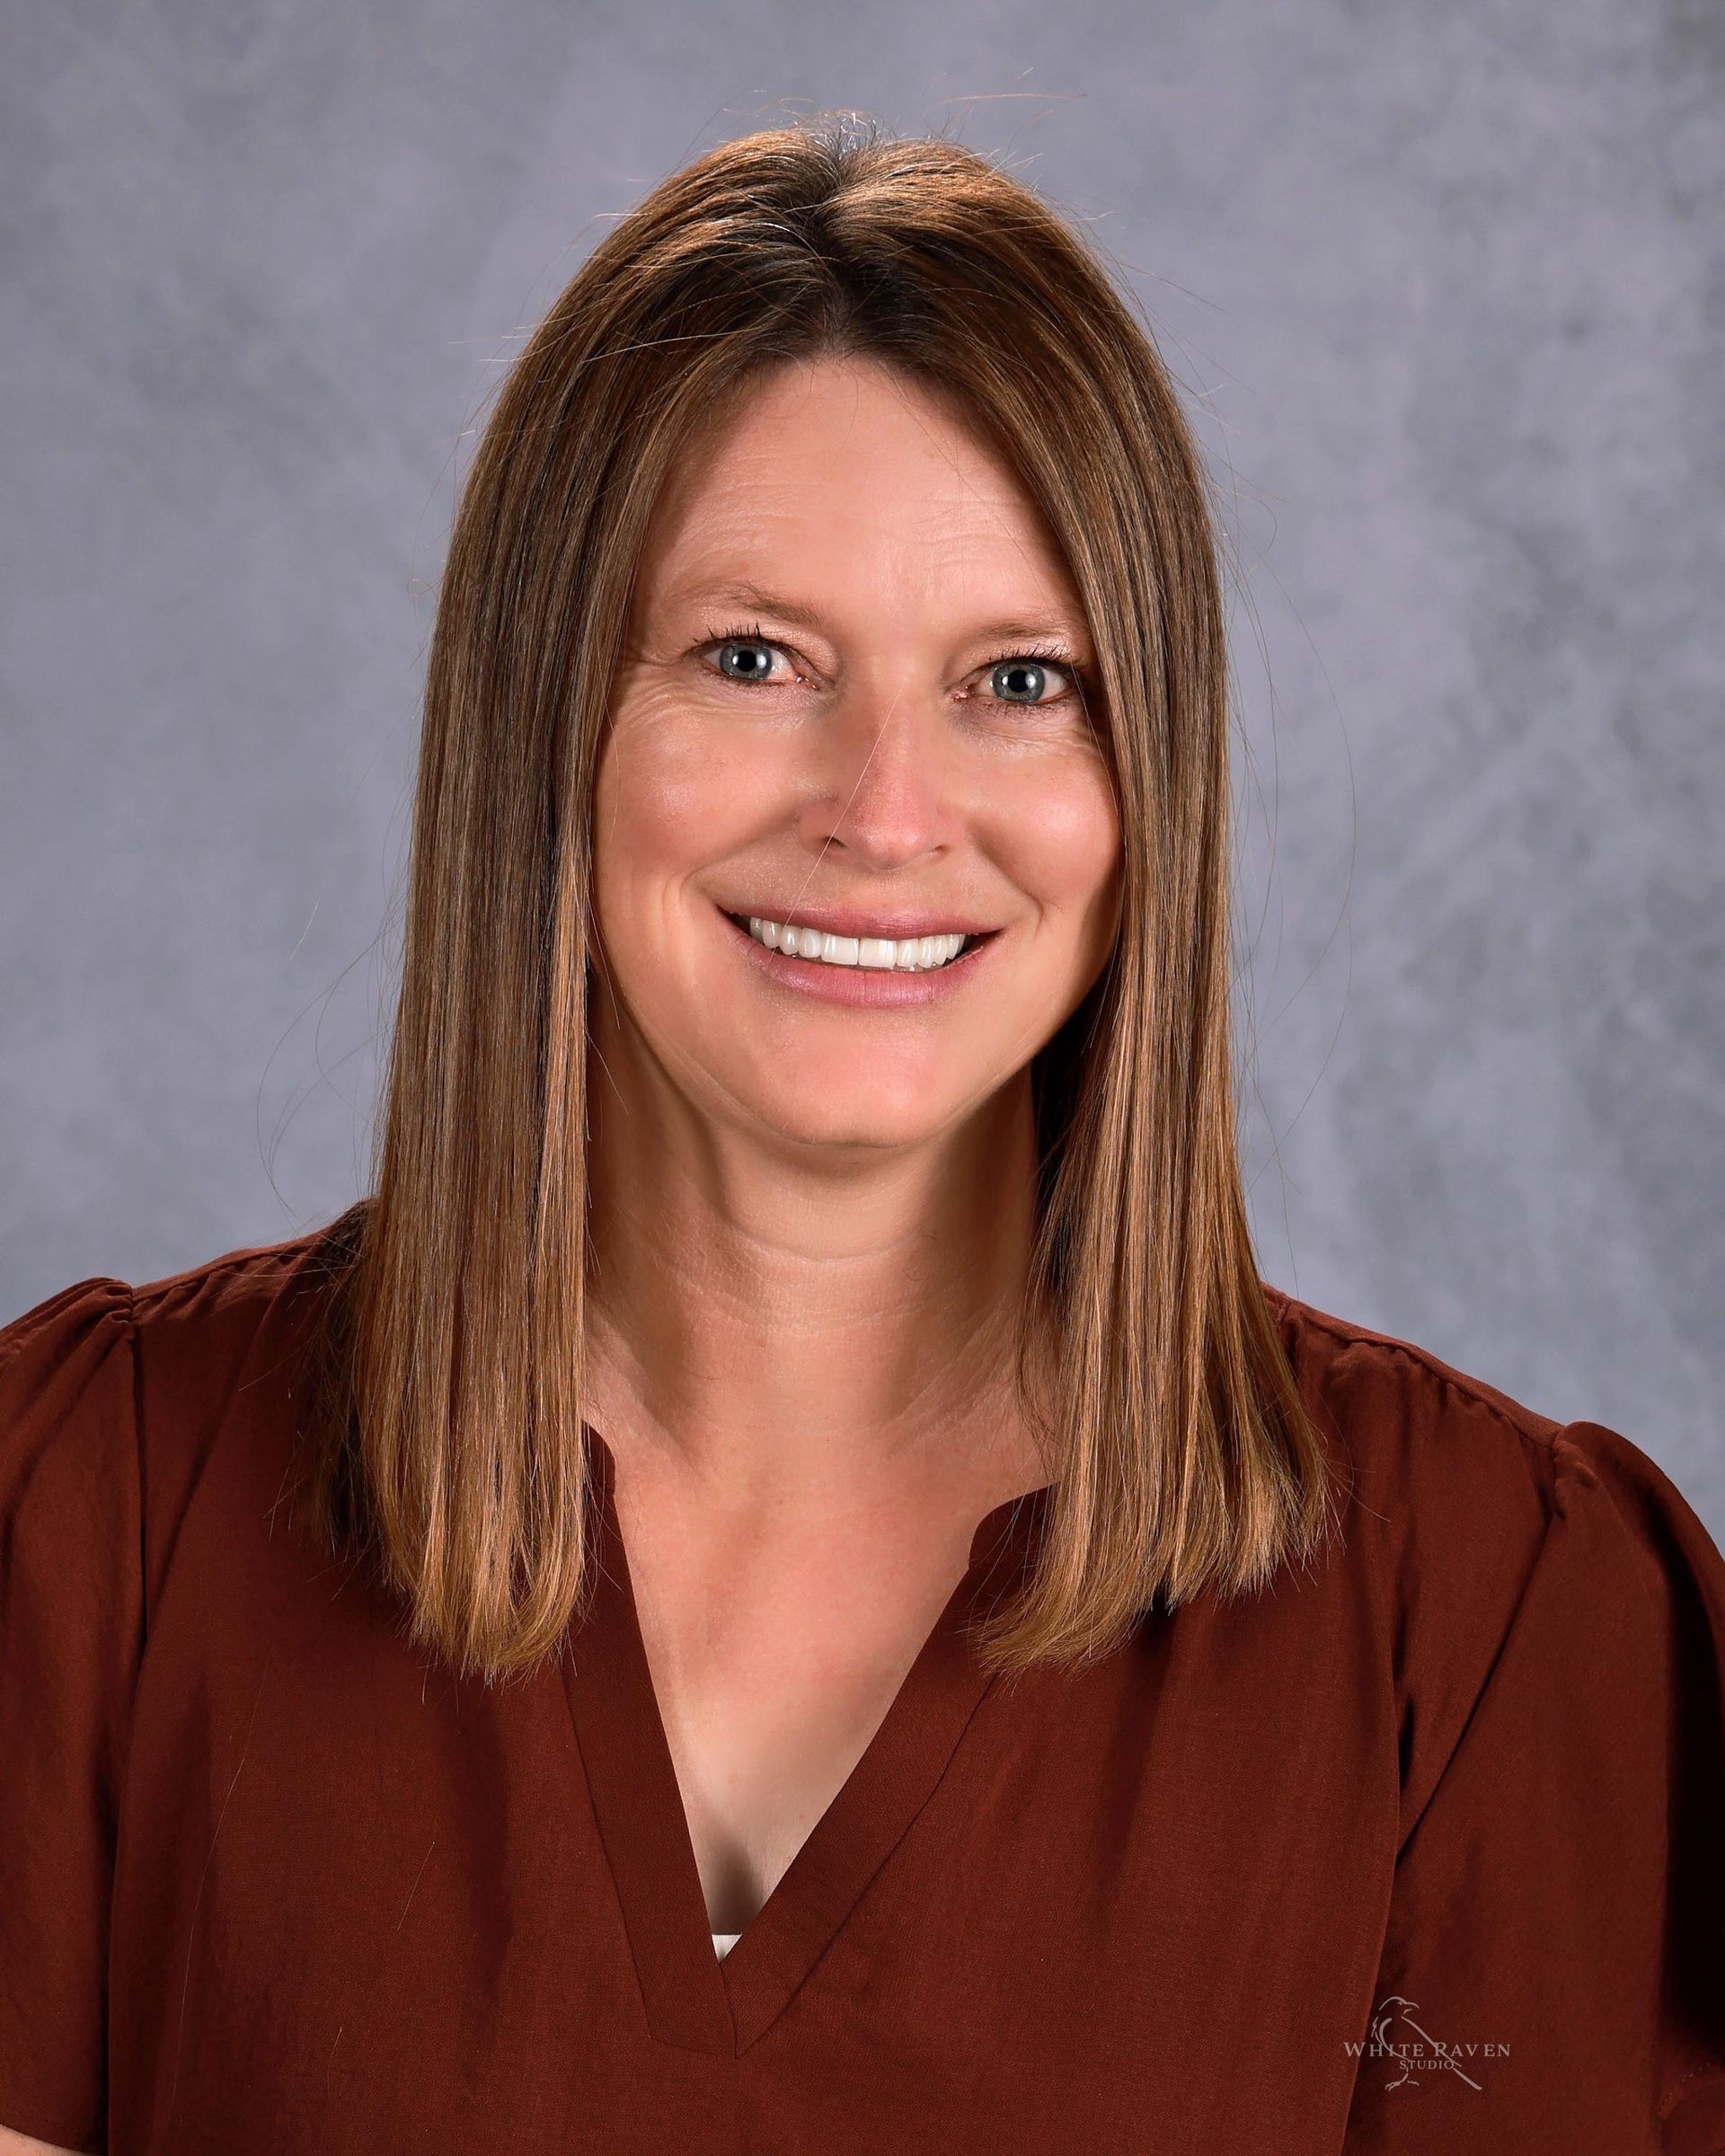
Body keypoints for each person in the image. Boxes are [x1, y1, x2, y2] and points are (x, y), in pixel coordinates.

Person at [2, 115, 1721, 2156]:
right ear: (544, 727)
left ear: (1146, 779)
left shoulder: (1505, 1638)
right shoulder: (88, 1537)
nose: (888, 810)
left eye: (1020, 679)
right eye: (753, 659)